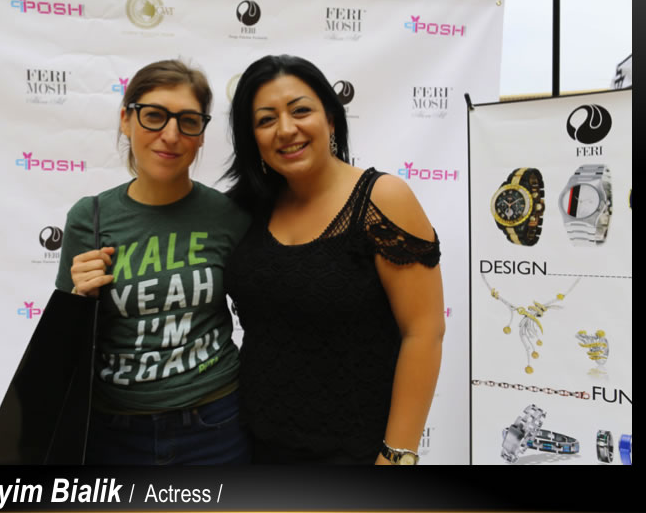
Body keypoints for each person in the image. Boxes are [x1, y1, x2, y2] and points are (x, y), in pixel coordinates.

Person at [222, 55, 445, 464]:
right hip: (250, 444)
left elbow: (424, 332)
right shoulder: (247, 208)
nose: (285, 129)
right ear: (251, 136)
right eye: (266, 119)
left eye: (300, 111)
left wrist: (396, 457)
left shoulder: (382, 200)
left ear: (330, 118)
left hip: (356, 452)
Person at [55, 59, 251, 465]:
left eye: (188, 121)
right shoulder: (89, 218)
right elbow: (65, 343)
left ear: (201, 135)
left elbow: (265, 314)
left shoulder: (228, 216)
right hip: (114, 434)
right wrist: (79, 297)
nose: (171, 135)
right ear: (126, 121)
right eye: (155, 116)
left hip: (216, 424)